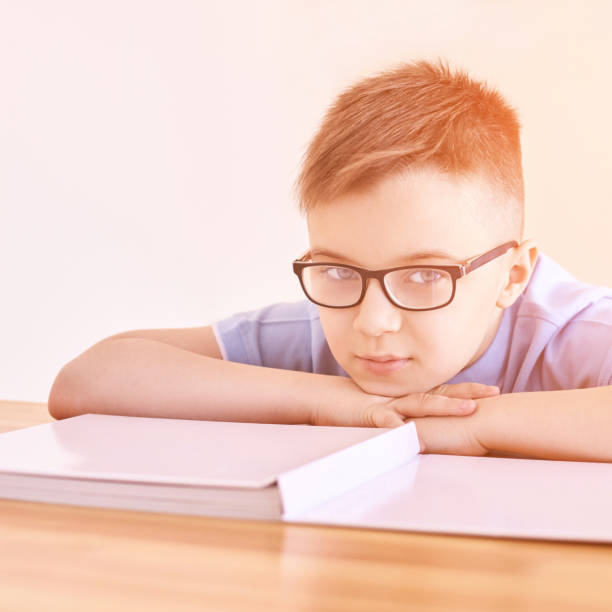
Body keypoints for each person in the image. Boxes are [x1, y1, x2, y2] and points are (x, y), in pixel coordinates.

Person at [48, 59, 612, 461]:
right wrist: (329, 402)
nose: (371, 322)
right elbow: (87, 380)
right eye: (340, 270)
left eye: (424, 276)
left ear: (511, 275)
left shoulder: (573, 333)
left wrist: (474, 427)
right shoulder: (318, 332)